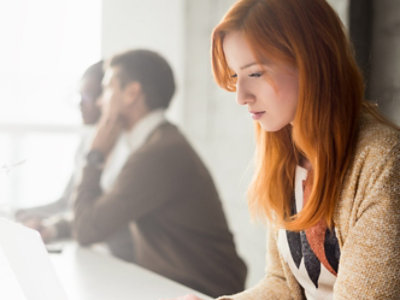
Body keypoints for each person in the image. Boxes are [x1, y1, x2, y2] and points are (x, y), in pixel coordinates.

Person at [172, 0, 400, 299]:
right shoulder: (285, 153)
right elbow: (283, 282)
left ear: (312, 62)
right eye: (234, 76)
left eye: (254, 73)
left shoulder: (383, 163)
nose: (241, 96)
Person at [72, 49, 247, 298]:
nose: (101, 101)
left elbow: (86, 229)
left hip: (201, 292)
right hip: (173, 285)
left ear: (132, 93)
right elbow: (108, 215)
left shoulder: (159, 153)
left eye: (108, 88)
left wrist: (94, 157)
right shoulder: (158, 143)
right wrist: (56, 229)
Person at [15, 61, 134, 262]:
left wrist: (95, 156)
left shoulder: (130, 149)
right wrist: (21, 214)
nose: (81, 103)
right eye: (80, 96)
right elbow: (68, 202)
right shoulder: (88, 141)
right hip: (93, 251)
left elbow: (95, 219)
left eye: (87, 96)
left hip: (118, 258)